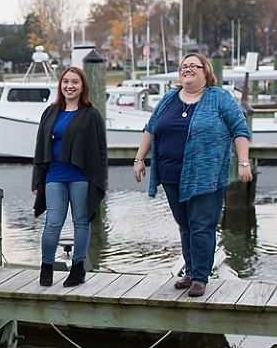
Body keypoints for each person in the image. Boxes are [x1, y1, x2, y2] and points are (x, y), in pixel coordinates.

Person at [132, 53, 252, 297]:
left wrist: (243, 162)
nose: (187, 70)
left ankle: (200, 276)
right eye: (184, 66)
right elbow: (151, 129)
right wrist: (139, 159)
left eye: (193, 66)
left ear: (205, 71)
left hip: (205, 176)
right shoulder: (168, 98)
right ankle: (190, 270)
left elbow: (239, 130)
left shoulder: (219, 98)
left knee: (201, 226)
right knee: (185, 225)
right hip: (171, 175)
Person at [32, 66, 107, 288]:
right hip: (54, 174)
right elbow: (39, 146)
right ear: (60, 85)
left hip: (82, 176)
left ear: (83, 86)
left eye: (75, 82)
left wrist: (100, 181)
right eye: (66, 81)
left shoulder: (91, 114)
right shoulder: (50, 112)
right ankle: (46, 267)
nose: (70, 86)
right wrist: (37, 179)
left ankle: (78, 269)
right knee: (53, 223)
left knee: (81, 223)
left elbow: (101, 149)